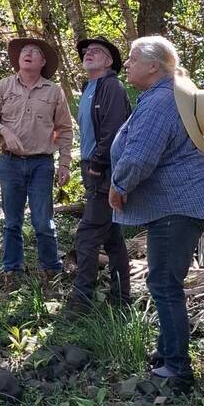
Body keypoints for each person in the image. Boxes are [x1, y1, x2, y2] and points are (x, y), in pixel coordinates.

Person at [108, 35, 204, 393]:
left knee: (163, 283)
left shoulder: (161, 100)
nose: (126, 65)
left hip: (178, 205)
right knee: (164, 281)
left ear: (153, 66)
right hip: (179, 204)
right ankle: (166, 353)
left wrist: (119, 186)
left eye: (131, 59)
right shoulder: (166, 93)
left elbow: (141, 155)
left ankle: (177, 369)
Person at [0, 37, 73, 288]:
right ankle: (12, 271)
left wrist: (64, 164)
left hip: (42, 164)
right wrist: (4, 131)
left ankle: (51, 271)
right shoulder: (4, 86)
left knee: (43, 221)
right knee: (12, 221)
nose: (27, 54)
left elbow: (64, 129)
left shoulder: (54, 92)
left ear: (43, 62)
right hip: (9, 163)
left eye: (34, 52)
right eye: (24, 51)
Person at [69, 36, 131, 314]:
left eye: (97, 52)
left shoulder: (112, 87)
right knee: (112, 235)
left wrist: (97, 164)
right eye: (86, 51)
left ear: (109, 62)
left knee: (88, 233)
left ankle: (81, 302)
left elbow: (114, 130)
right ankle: (120, 297)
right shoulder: (89, 87)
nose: (89, 54)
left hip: (103, 169)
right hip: (92, 167)